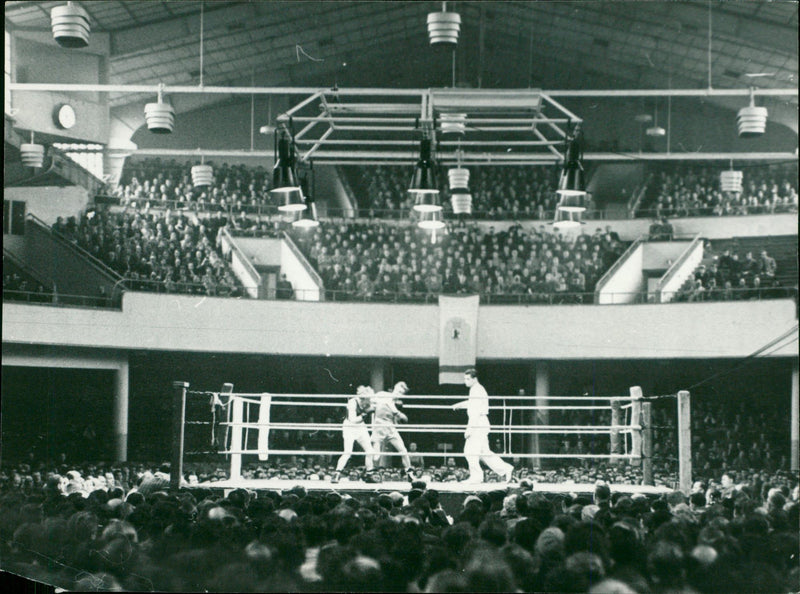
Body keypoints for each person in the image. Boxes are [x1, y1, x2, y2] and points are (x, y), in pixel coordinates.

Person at [452, 368, 514, 483]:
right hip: (481, 423)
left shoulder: (477, 390)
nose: (466, 381)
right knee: (484, 453)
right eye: (465, 379)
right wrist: (460, 404)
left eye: (468, 379)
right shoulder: (477, 389)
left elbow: (475, 412)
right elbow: (473, 404)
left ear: (474, 379)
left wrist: (469, 430)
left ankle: (476, 476)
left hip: (477, 423)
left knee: (469, 451)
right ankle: (506, 468)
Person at [371, 381, 415, 480]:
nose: (399, 394)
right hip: (378, 427)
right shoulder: (382, 395)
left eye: (401, 393)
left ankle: (409, 473)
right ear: (394, 388)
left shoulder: (397, 403)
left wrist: (397, 417)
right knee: (377, 453)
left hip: (390, 428)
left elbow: (399, 419)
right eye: (398, 390)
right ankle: (374, 473)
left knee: (403, 450)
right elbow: (371, 404)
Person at [332, 386, 376, 483]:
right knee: (348, 452)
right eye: (368, 400)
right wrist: (364, 414)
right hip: (349, 427)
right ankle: (336, 473)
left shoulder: (368, 401)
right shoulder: (352, 402)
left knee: (370, 451)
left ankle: (369, 474)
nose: (369, 402)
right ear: (362, 398)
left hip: (361, 427)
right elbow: (353, 420)